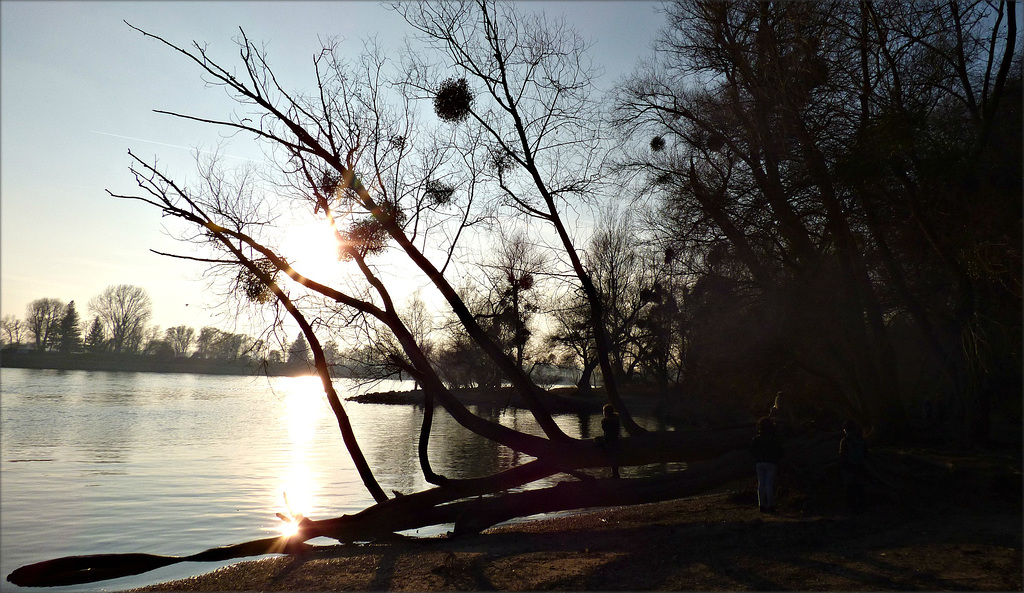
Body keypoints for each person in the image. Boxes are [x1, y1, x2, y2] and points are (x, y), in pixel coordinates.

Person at [750, 416, 783, 513]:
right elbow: (780, 451)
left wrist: (757, 458)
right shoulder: (773, 439)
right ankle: (770, 504)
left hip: (759, 463)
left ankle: (761, 504)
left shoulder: (756, 439)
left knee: (761, 484)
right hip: (771, 463)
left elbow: (751, 451)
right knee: (769, 484)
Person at [839, 420, 868, 513]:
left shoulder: (845, 441)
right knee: (859, 487)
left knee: (849, 487)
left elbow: (842, 455)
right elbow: (865, 453)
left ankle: (851, 508)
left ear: (845, 430)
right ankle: (861, 508)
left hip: (849, 466)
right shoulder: (861, 440)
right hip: (860, 465)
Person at [598, 404, 621, 478]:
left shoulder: (605, 421)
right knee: (614, 457)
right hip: (616, 439)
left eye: (604, 411)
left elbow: (606, 433)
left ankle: (615, 475)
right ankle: (616, 474)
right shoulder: (616, 419)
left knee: (597, 441)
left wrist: (604, 443)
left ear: (606, 412)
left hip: (610, 440)